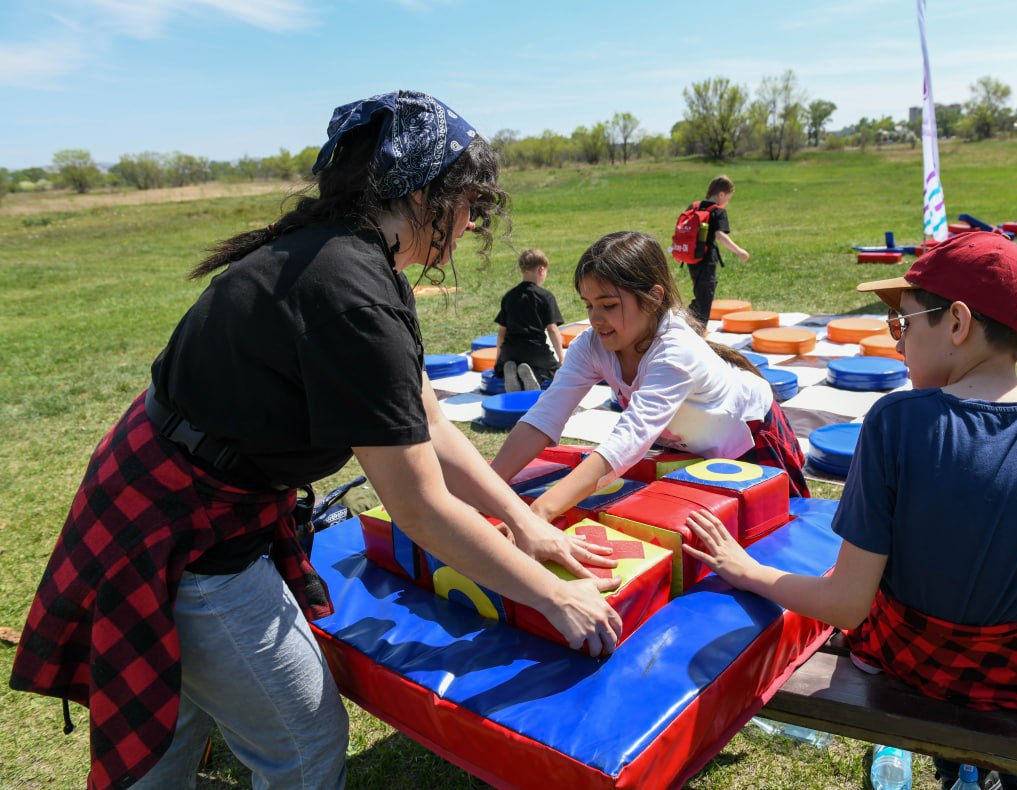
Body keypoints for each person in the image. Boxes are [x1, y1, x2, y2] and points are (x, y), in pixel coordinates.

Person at [8, 90, 622, 790]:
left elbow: (431, 426)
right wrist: (554, 596)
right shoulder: (351, 292)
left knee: (172, 725)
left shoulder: (351, 261)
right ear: (426, 192)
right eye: (471, 203)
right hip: (187, 532)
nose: (472, 223)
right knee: (302, 743)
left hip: (159, 488)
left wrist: (524, 526)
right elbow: (418, 508)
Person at [682, 232, 1017, 790]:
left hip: (922, 664)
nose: (897, 344)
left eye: (905, 324)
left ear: (959, 323)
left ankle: (957, 770)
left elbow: (845, 606)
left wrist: (746, 569)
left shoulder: (895, 422)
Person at [490, 230, 808, 523]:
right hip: (690, 441)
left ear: (654, 297)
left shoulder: (675, 349)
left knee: (771, 528)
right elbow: (545, 417)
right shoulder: (591, 346)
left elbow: (629, 440)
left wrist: (537, 514)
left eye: (609, 305)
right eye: (588, 305)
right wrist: (488, 487)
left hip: (750, 434)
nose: (595, 319)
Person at [494, 248, 565, 391]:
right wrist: (561, 358)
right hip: (535, 351)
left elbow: (502, 331)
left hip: (510, 351)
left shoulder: (509, 296)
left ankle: (512, 373)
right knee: (553, 370)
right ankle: (535, 376)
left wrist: (499, 358)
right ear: (541, 270)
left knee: (500, 368)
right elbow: (552, 329)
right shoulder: (546, 296)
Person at [685, 175, 749, 328]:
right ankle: (696, 330)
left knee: (700, 294)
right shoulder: (717, 211)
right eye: (728, 198)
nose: (727, 202)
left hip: (690, 258)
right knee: (705, 299)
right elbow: (719, 235)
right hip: (706, 260)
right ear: (721, 194)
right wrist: (739, 251)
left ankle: (687, 323)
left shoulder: (694, 206)